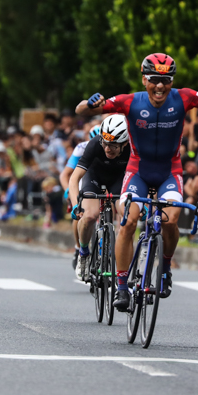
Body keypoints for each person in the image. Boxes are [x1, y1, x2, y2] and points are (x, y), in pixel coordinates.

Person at [76, 53, 198, 310]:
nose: (160, 86)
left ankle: (165, 267)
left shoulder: (184, 97)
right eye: (154, 79)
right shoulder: (131, 101)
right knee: (128, 221)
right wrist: (90, 102)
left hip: (169, 172)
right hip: (137, 170)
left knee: (171, 220)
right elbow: (81, 110)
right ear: (144, 79)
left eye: (166, 80)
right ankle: (121, 286)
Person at [68, 115, 130, 281]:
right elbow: (74, 179)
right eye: (105, 144)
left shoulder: (133, 148)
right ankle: (83, 253)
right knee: (89, 216)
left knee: (127, 214)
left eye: (114, 146)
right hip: (94, 177)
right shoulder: (95, 144)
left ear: (125, 143)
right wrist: (75, 205)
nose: (108, 149)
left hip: (119, 179)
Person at [59, 124, 100, 270]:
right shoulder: (82, 148)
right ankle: (78, 247)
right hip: (84, 178)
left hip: (103, 178)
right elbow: (65, 175)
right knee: (81, 212)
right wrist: (68, 192)